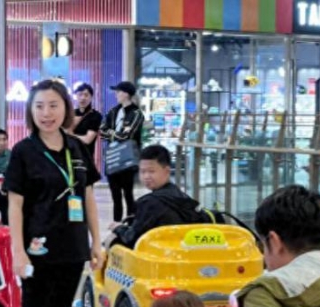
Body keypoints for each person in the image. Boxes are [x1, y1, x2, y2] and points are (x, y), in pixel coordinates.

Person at [4, 79, 103, 307]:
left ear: (66, 108)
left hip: (72, 248)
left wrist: (96, 241)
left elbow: (88, 197)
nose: (46, 113)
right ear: (30, 112)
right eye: (39, 106)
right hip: (38, 249)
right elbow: (15, 206)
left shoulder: (77, 148)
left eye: (53, 105)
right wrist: (18, 251)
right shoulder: (23, 152)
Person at [106, 144, 217, 249]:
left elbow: (132, 239)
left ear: (167, 171)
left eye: (151, 171)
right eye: (143, 172)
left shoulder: (149, 203)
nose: (146, 176)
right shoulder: (180, 196)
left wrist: (118, 228)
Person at [99, 81, 144, 222]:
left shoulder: (136, 113)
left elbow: (127, 136)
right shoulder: (113, 111)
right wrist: (115, 133)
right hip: (112, 158)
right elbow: (101, 132)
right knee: (115, 195)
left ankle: (130, 222)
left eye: (118, 92)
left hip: (127, 159)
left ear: (126, 94)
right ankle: (116, 223)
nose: (116, 95)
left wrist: (111, 133)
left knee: (128, 193)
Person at [70, 82, 102, 159]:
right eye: (80, 94)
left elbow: (88, 139)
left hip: (86, 157)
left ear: (91, 97)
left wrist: (70, 135)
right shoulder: (70, 114)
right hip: (69, 156)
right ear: (76, 96)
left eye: (86, 95)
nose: (83, 98)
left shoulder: (95, 116)